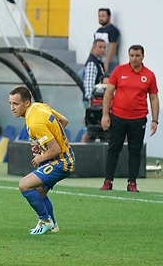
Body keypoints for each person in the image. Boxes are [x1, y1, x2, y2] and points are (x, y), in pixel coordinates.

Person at [8, 85, 74, 235]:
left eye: (16, 104)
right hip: (64, 157)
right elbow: (63, 121)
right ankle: (53, 225)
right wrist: (46, 145)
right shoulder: (39, 106)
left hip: (62, 162)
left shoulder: (34, 122)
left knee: (24, 185)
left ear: (26, 103)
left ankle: (45, 220)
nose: (12, 108)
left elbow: (55, 149)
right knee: (39, 191)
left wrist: (41, 157)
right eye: (10, 103)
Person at [99, 44, 159, 192]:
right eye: (131, 55)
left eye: (137, 56)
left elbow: (153, 98)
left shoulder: (149, 75)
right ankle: (108, 181)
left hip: (138, 119)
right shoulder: (119, 71)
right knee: (113, 149)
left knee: (135, 151)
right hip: (118, 117)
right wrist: (105, 114)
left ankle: (132, 183)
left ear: (143, 57)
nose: (134, 58)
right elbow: (108, 93)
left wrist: (155, 120)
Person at [94, 8, 120, 74]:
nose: (100, 18)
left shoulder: (113, 30)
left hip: (110, 62)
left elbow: (113, 48)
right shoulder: (98, 31)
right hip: (99, 61)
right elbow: (94, 46)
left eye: (103, 16)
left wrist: (107, 63)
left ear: (109, 17)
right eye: (99, 16)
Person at [82, 39, 106, 107]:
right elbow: (89, 83)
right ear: (94, 48)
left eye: (104, 47)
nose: (103, 50)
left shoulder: (98, 62)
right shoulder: (92, 63)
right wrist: (90, 99)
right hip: (92, 101)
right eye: (100, 47)